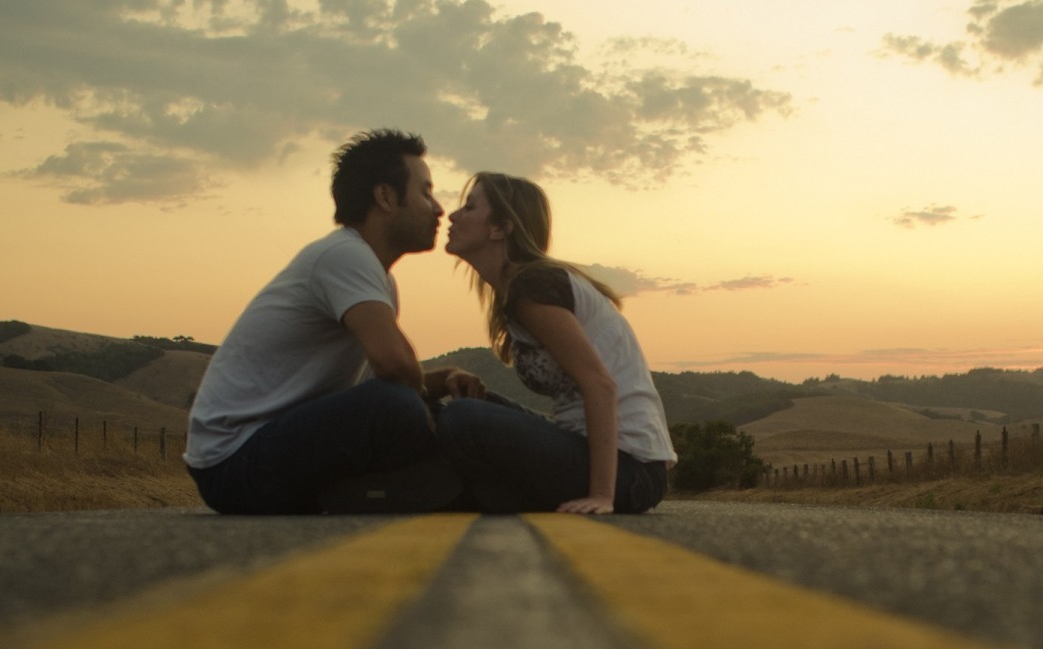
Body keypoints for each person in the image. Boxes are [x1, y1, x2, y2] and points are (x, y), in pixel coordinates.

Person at [183, 129, 486, 514]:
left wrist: (441, 380)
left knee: (408, 404)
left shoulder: (374, 275)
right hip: (233, 464)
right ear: (386, 197)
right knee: (396, 408)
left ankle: (394, 490)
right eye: (425, 192)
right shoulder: (344, 255)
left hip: (262, 449)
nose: (438, 208)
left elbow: (375, 383)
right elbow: (394, 367)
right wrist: (425, 408)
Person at [437, 172, 676, 514]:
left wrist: (601, 497)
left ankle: (482, 494)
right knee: (465, 407)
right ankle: (487, 494)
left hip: (630, 471)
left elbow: (600, 384)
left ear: (500, 228)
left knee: (463, 419)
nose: (454, 215)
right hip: (597, 455)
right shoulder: (519, 290)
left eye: (470, 207)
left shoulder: (532, 286)